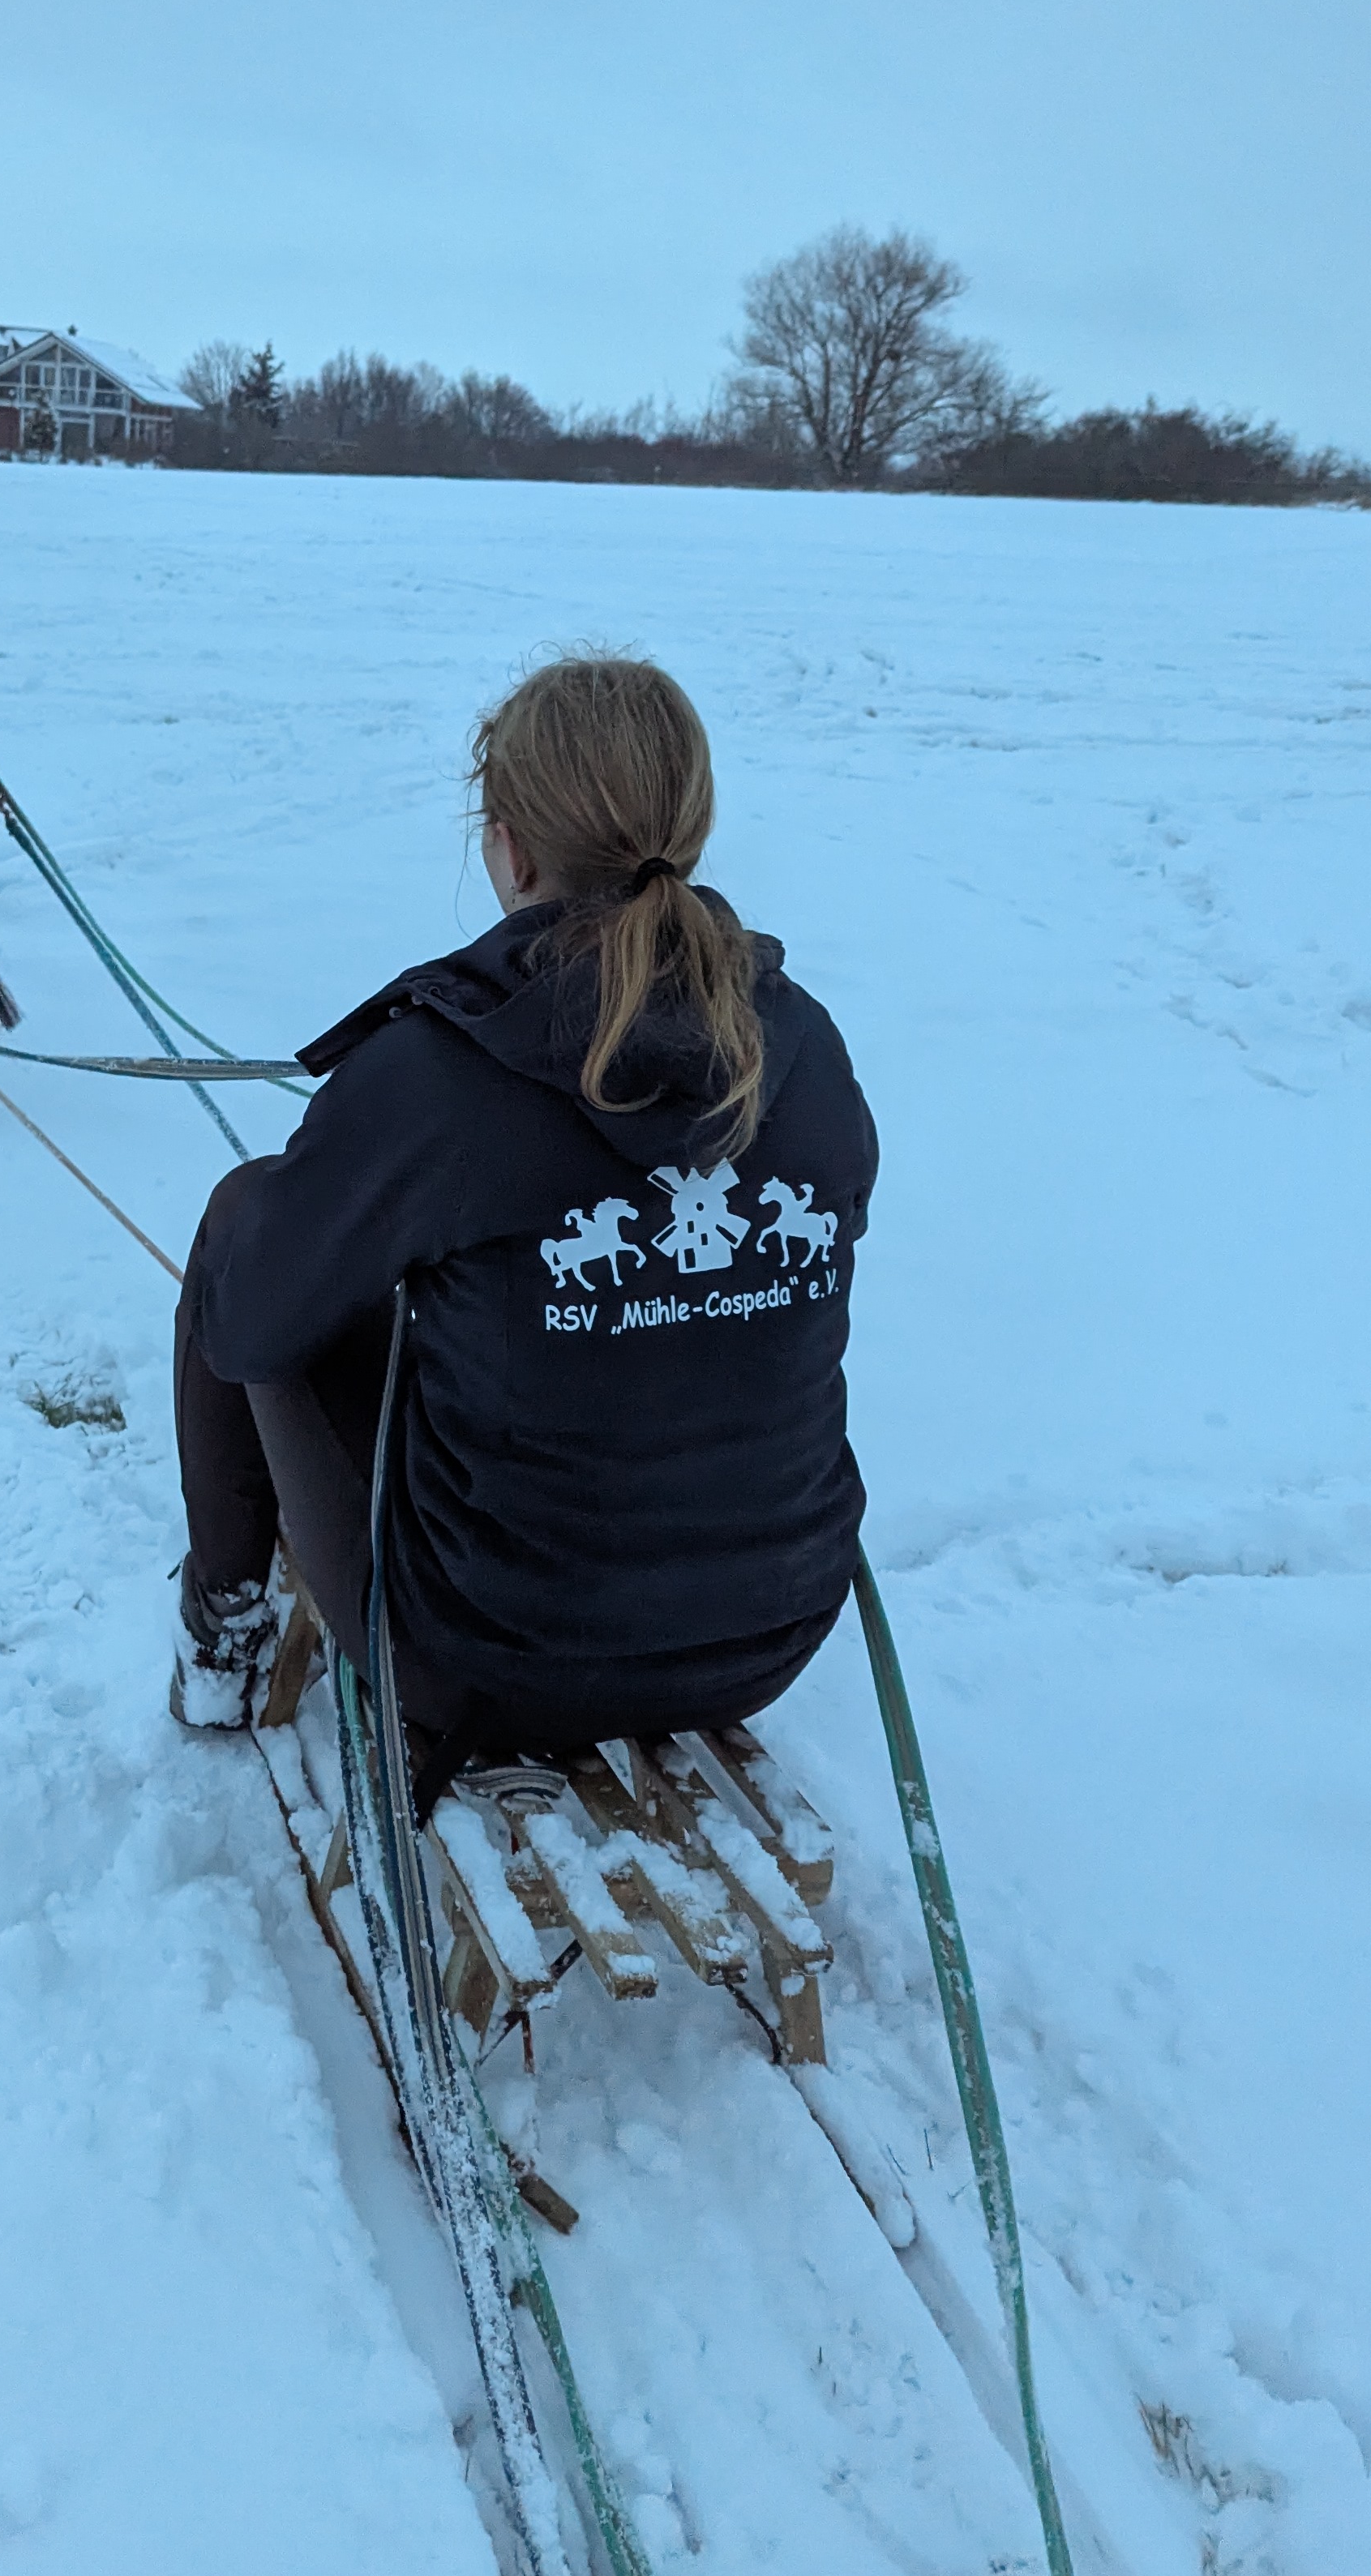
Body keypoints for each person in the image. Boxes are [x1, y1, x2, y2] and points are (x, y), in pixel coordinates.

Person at [169, 653, 877, 1795]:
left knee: (245, 1218)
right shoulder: (800, 1045)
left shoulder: (435, 1076)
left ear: (512, 849)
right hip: (774, 1638)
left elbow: (246, 1327)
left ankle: (222, 1629)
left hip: (488, 1668)